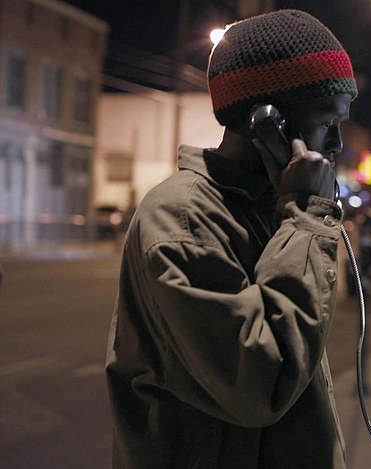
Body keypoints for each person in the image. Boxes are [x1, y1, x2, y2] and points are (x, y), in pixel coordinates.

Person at [105, 10, 357, 468]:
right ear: (268, 123)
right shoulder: (183, 219)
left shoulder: (273, 206)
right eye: (326, 122)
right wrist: (306, 218)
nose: (338, 143)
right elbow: (264, 381)